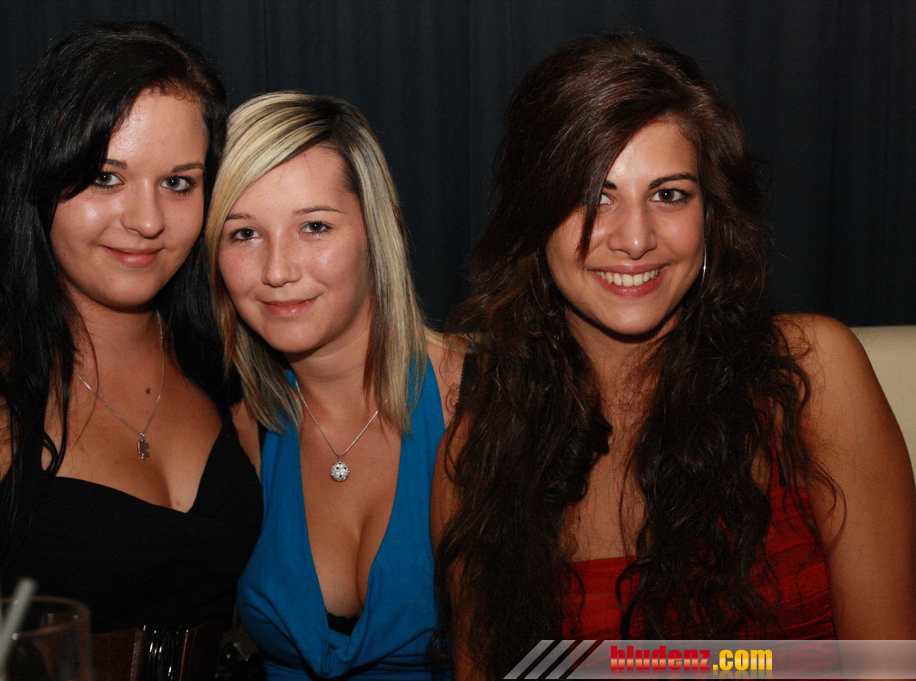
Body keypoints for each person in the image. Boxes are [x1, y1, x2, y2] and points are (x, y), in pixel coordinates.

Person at [431, 30, 916, 680]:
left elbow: (889, 666)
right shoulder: (481, 455)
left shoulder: (810, 375)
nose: (635, 238)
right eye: (592, 195)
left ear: (711, 214)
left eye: (669, 194)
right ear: (534, 216)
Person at [0, 21, 262, 680]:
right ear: (40, 182)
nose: (146, 219)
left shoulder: (228, 366)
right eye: (105, 177)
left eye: (178, 183)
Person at [204, 91, 462, 680]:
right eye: (244, 234)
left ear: (378, 228)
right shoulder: (238, 434)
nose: (277, 270)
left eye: (314, 227)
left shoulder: (480, 398)